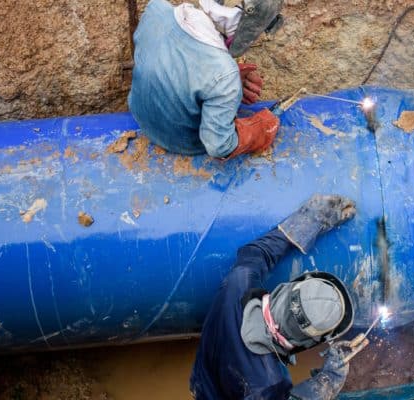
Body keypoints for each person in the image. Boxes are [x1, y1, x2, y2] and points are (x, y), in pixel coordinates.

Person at [190, 194, 357, 400]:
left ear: (288, 289)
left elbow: (256, 253)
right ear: (305, 342)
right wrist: (327, 380)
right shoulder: (270, 384)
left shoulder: (238, 285)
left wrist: (310, 220)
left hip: (203, 380)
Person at [128, 0, 284, 159]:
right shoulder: (224, 74)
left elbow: (165, 62)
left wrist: (214, 85)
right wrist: (257, 131)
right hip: (184, 141)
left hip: (140, 114)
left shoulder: (156, 9)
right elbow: (218, 146)